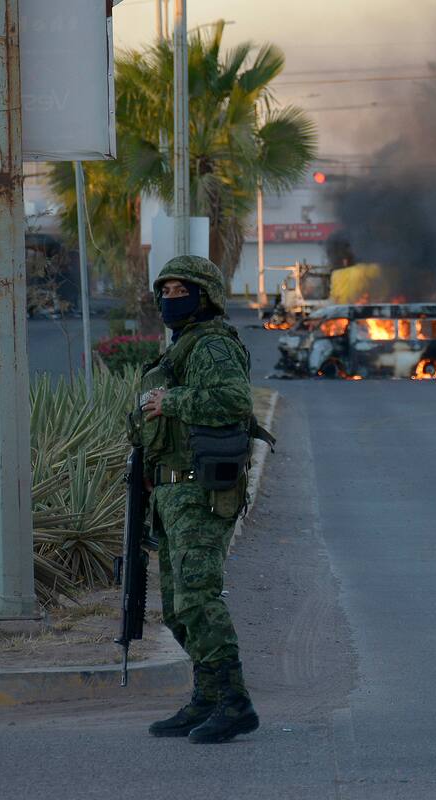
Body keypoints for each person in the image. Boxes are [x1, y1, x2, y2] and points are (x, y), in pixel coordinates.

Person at [131, 255, 259, 744]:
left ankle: (235, 701)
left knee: (199, 599)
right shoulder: (181, 346)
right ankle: (206, 697)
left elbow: (234, 400)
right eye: (163, 290)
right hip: (171, 491)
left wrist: (171, 401)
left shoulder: (213, 345)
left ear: (204, 296)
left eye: (180, 290)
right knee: (178, 608)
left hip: (201, 491)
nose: (168, 298)